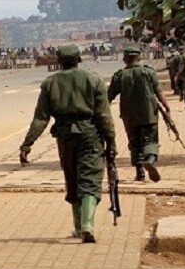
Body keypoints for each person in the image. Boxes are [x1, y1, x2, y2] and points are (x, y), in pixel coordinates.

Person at [19, 45, 116, 244]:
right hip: (90, 134)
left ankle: (79, 226)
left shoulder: (50, 83)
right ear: (79, 59)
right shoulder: (93, 80)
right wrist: (111, 142)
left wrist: (27, 145)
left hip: (65, 136)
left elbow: (40, 118)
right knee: (90, 178)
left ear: (59, 61)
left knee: (72, 178)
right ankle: (87, 226)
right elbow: (104, 116)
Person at [108, 46, 171, 182]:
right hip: (148, 113)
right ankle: (150, 160)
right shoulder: (149, 71)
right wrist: (167, 107)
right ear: (139, 57)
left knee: (134, 142)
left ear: (125, 59)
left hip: (129, 116)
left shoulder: (119, 75)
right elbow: (158, 92)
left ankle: (140, 172)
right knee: (150, 140)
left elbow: (109, 96)